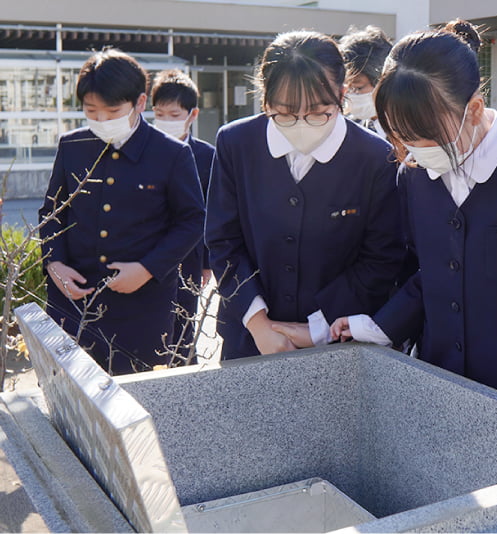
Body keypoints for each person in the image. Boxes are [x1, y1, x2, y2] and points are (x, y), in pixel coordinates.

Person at [330, 20, 497, 405]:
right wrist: (380, 326)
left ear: (473, 109)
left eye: (424, 136)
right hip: (440, 383)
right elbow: (427, 272)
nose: (412, 150)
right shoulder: (415, 174)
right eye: (401, 137)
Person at [204, 30, 405, 359]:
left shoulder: (375, 158)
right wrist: (258, 323)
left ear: (341, 94)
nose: (301, 124)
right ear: (265, 101)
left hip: (335, 342)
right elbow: (223, 240)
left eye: (317, 112)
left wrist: (318, 327)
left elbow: (381, 259)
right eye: (284, 114)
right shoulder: (236, 143)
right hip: (249, 338)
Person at [39, 49, 205, 375]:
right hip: (72, 300)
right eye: (91, 111)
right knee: (67, 390)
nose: (102, 120)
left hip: (141, 308)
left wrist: (147, 268)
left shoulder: (171, 153)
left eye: (113, 111)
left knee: (138, 395)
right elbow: (52, 212)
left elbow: (192, 220)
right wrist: (54, 263)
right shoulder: (72, 145)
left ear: (140, 103)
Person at [151, 69, 215, 360]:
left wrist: (207, 262)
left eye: (174, 114)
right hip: (146, 252)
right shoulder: (144, 150)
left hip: (188, 257)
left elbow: (211, 211)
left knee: (183, 325)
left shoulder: (206, 156)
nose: (166, 120)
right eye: (159, 114)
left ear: (192, 115)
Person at [338, 25, 393, 138]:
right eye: (348, 87)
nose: (351, 94)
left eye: (358, 88)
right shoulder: (349, 130)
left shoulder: (412, 131)